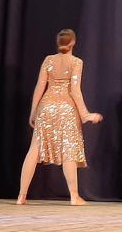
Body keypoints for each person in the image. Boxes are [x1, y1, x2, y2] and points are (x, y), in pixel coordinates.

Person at [16, 29, 102, 206]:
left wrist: (33, 112)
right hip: (66, 109)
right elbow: (75, 91)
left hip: (46, 108)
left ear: (58, 42)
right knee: (68, 150)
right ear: (73, 43)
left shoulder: (49, 60)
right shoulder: (76, 62)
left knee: (34, 150)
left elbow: (39, 87)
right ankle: (74, 196)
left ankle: (21, 196)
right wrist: (85, 114)